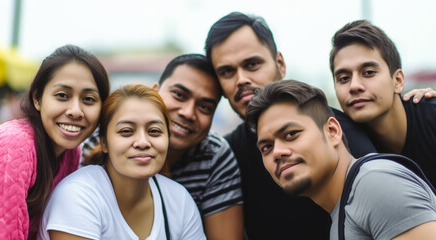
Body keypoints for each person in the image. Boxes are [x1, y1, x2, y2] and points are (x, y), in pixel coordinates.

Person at [204, 12, 376, 239]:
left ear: (280, 64)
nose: (241, 79)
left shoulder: (343, 133)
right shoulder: (226, 156)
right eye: (227, 72)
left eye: (252, 64)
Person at [246, 79, 436, 239]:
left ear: (332, 131)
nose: (277, 152)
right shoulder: (344, 212)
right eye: (266, 147)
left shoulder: (374, 185)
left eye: (290, 134)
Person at [0, 44, 110, 240]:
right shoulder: (13, 145)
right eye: (62, 96)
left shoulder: (71, 152)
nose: (75, 111)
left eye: (88, 99)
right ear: (37, 98)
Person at [83, 54, 244, 239]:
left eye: (205, 107)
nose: (188, 112)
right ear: (155, 92)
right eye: (179, 95)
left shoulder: (214, 156)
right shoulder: (99, 142)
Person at [39, 83, 205, 240]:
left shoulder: (179, 200)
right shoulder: (78, 195)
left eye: (154, 131)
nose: (142, 142)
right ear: (104, 142)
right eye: (126, 131)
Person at [330, 20, 436, 186]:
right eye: (344, 78)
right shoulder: (343, 145)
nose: (354, 86)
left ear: (398, 81)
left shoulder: (431, 117)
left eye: (369, 73)